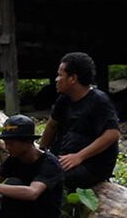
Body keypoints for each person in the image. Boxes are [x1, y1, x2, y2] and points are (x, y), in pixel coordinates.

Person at [40, 52, 121, 192]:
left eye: (60, 75)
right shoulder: (64, 99)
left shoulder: (99, 101)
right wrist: (40, 151)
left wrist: (79, 156)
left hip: (91, 165)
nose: (56, 79)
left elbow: (112, 134)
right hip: (64, 158)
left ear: (73, 78)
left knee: (48, 177)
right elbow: (52, 125)